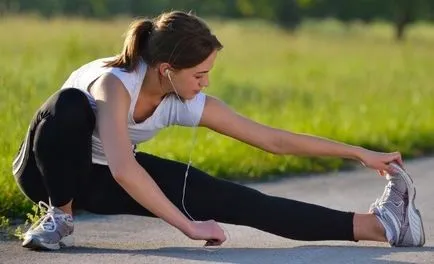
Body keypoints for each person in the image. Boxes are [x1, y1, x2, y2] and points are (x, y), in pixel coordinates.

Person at [12, 10, 425, 251]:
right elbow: (123, 167)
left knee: (233, 198)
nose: (206, 83)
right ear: (167, 71)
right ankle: (58, 218)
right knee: (66, 106)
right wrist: (189, 227)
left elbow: (272, 140)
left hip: (99, 179)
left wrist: (358, 152)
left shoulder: (181, 96)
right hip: (46, 173)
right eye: (201, 74)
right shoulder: (115, 84)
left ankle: (381, 225)